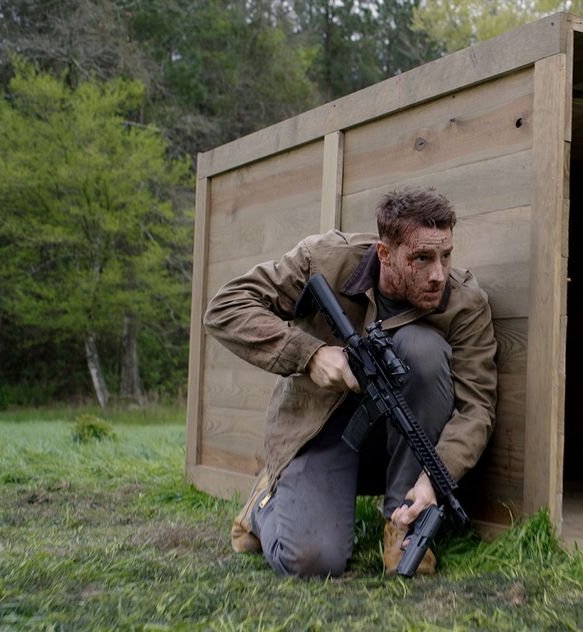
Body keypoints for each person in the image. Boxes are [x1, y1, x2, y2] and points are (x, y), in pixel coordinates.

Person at [204, 187, 497, 577]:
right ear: (384, 254)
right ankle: (262, 506)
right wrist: (309, 354)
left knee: (422, 348)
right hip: (320, 427)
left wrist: (435, 478)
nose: (438, 275)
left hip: (403, 443)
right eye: (422, 258)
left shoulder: (465, 303)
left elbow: (477, 407)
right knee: (311, 562)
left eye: (446, 256)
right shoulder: (325, 258)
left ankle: (400, 523)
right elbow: (227, 306)